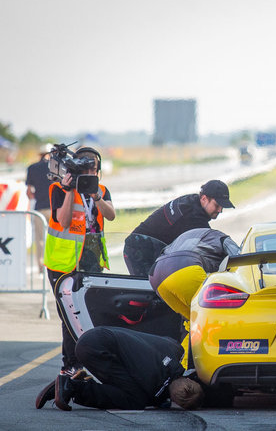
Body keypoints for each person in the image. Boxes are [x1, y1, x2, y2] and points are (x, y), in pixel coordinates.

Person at [44, 146, 115, 376]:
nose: (89, 173)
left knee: (92, 314)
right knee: (69, 317)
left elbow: (111, 215)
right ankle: (70, 365)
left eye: (93, 169)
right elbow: (63, 222)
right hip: (63, 263)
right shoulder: (58, 188)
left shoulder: (101, 189)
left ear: (98, 170)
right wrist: (68, 192)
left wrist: (96, 196)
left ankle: (89, 363)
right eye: (85, 169)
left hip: (91, 260)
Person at [49, 326, 204, 411]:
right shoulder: (154, 383)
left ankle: (69, 384)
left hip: (97, 335)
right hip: (96, 350)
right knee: (135, 400)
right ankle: (72, 387)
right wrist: (161, 399)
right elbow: (153, 396)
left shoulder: (175, 350)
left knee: (127, 384)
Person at [123, 180, 235, 276]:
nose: (220, 210)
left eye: (222, 206)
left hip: (152, 249)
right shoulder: (192, 216)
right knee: (151, 293)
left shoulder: (192, 201)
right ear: (204, 199)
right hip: (137, 250)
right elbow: (210, 243)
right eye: (217, 205)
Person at [149, 228, 240, 319]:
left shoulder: (192, 236)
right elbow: (240, 261)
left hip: (156, 276)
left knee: (193, 321)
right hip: (184, 267)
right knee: (219, 315)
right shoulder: (223, 238)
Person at [25, 144, 53, 264]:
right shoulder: (55, 168)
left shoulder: (32, 168)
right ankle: (53, 264)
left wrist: (37, 196)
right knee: (55, 239)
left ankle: (41, 267)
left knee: (40, 240)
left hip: (39, 208)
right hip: (54, 208)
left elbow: (29, 192)